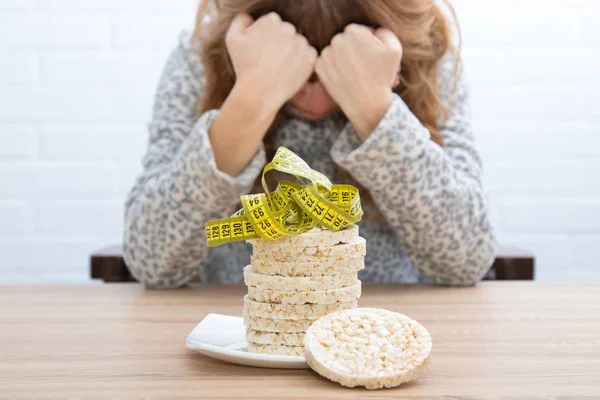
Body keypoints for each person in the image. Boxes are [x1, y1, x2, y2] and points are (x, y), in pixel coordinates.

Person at [123, 0, 497, 289]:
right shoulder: (202, 58)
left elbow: (466, 261)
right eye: (298, 72)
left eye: (333, 72)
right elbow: (152, 262)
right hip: (240, 337)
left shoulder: (424, 59)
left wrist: (374, 108)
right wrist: (250, 100)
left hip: (383, 338)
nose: (315, 101)